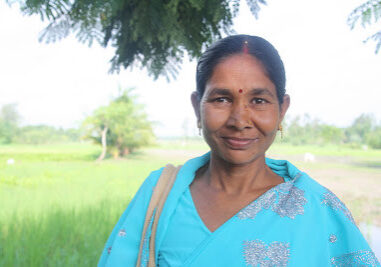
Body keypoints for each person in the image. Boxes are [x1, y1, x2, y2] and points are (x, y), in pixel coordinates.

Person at [98, 35, 379, 267]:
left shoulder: (320, 210)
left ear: (282, 110)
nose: (240, 121)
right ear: (197, 107)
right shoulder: (160, 194)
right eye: (221, 99)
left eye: (259, 100)